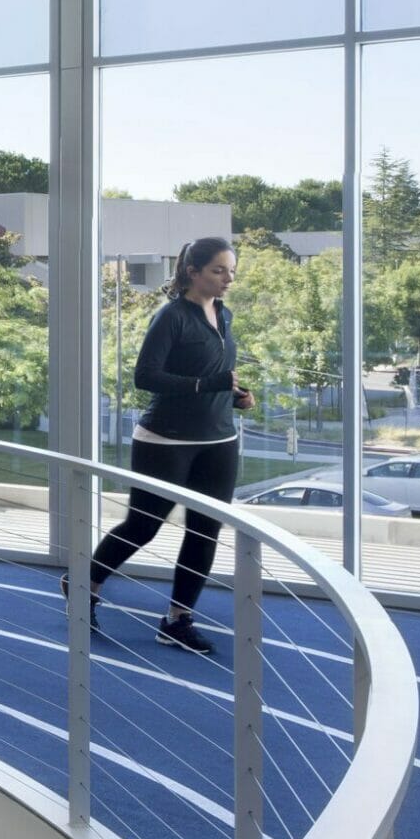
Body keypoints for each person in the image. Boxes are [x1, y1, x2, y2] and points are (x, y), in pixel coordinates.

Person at [80, 238, 255, 654]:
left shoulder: (223, 313)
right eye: (218, 270)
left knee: (205, 532)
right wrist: (204, 385)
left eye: (231, 270)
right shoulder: (171, 316)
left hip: (219, 440)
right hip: (165, 441)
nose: (228, 278)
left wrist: (234, 395)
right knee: (144, 526)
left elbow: (213, 373)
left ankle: (177, 620)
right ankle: (83, 585)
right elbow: (147, 377)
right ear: (192, 272)